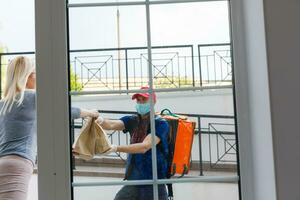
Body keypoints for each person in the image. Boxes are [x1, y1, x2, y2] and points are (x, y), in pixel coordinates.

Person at [0, 56, 99, 200]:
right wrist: (91, 112)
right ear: (26, 76)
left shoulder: (3, 103)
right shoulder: (33, 98)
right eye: (35, 73)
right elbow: (63, 110)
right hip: (18, 163)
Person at [96, 86, 169, 200]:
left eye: (143, 100)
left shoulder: (160, 124)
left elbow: (145, 146)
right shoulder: (132, 120)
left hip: (153, 181)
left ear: (153, 101)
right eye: (138, 100)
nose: (140, 103)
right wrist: (99, 120)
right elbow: (111, 125)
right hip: (133, 179)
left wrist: (116, 148)